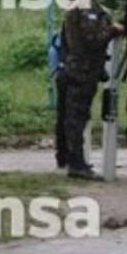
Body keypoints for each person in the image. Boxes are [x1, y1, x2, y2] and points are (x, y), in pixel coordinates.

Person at [61, 0, 125, 180]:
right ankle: (77, 165)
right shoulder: (85, 6)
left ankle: (77, 162)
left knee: (78, 116)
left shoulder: (85, 4)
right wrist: (113, 31)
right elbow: (92, 39)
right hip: (82, 70)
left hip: (83, 70)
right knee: (76, 118)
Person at [48, 30, 68, 169]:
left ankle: (63, 156)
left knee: (63, 117)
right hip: (73, 75)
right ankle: (69, 157)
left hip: (63, 74)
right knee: (71, 118)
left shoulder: (61, 33)